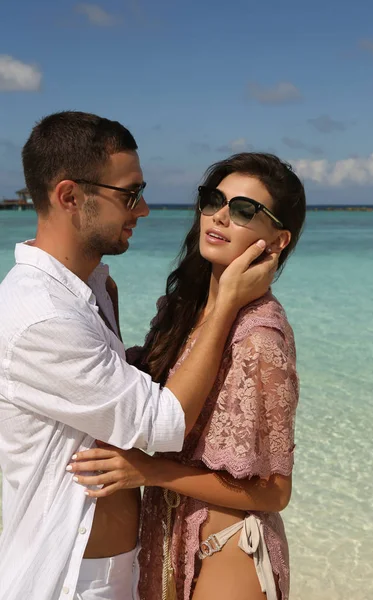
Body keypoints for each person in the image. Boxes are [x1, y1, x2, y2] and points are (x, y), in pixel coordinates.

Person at [0, 113, 277, 600]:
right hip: (71, 577)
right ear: (70, 197)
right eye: (129, 194)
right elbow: (163, 422)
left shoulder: (88, 289)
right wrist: (227, 301)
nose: (144, 209)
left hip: (119, 567)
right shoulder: (43, 316)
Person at [69, 152, 306, 600]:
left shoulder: (261, 339)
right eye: (213, 200)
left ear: (276, 241)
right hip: (169, 541)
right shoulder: (187, 310)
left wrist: (150, 472)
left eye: (243, 210)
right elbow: (140, 397)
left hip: (230, 549)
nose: (219, 216)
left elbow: (275, 493)